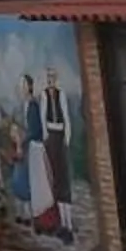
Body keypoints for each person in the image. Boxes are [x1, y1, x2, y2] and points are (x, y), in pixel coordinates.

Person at [19, 74, 55, 234]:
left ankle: (45, 220)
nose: (21, 87)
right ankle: (38, 220)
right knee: (35, 184)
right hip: (31, 147)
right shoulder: (26, 104)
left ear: (29, 86)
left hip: (36, 148)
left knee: (40, 184)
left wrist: (24, 139)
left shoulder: (32, 105)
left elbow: (34, 130)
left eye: (23, 84)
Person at [43, 73, 76, 241]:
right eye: (48, 79)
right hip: (50, 136)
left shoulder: (60, 94)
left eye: (52, 79)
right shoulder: (44, 95)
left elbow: (65, 115)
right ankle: (62, 223)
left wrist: (67, 138)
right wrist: (45, 138)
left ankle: (69, 223)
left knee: (63, 178)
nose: (50, 82)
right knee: (54, 178)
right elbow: (43, 116)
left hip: (60, 134)